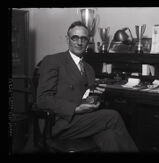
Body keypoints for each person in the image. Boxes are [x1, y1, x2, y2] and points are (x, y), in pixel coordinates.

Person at [36, 21, 139, 152]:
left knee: (110, 136)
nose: (79, 42)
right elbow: (43, 99)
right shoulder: (53, 61)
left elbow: (86, 97)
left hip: (82, 122)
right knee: (112, 116)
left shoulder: (89, 68)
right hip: (59, 123)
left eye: (83, 38)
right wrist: (75, 109)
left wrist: (97, 97)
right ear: (68, 39)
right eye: (75, 38)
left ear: (88, 41)